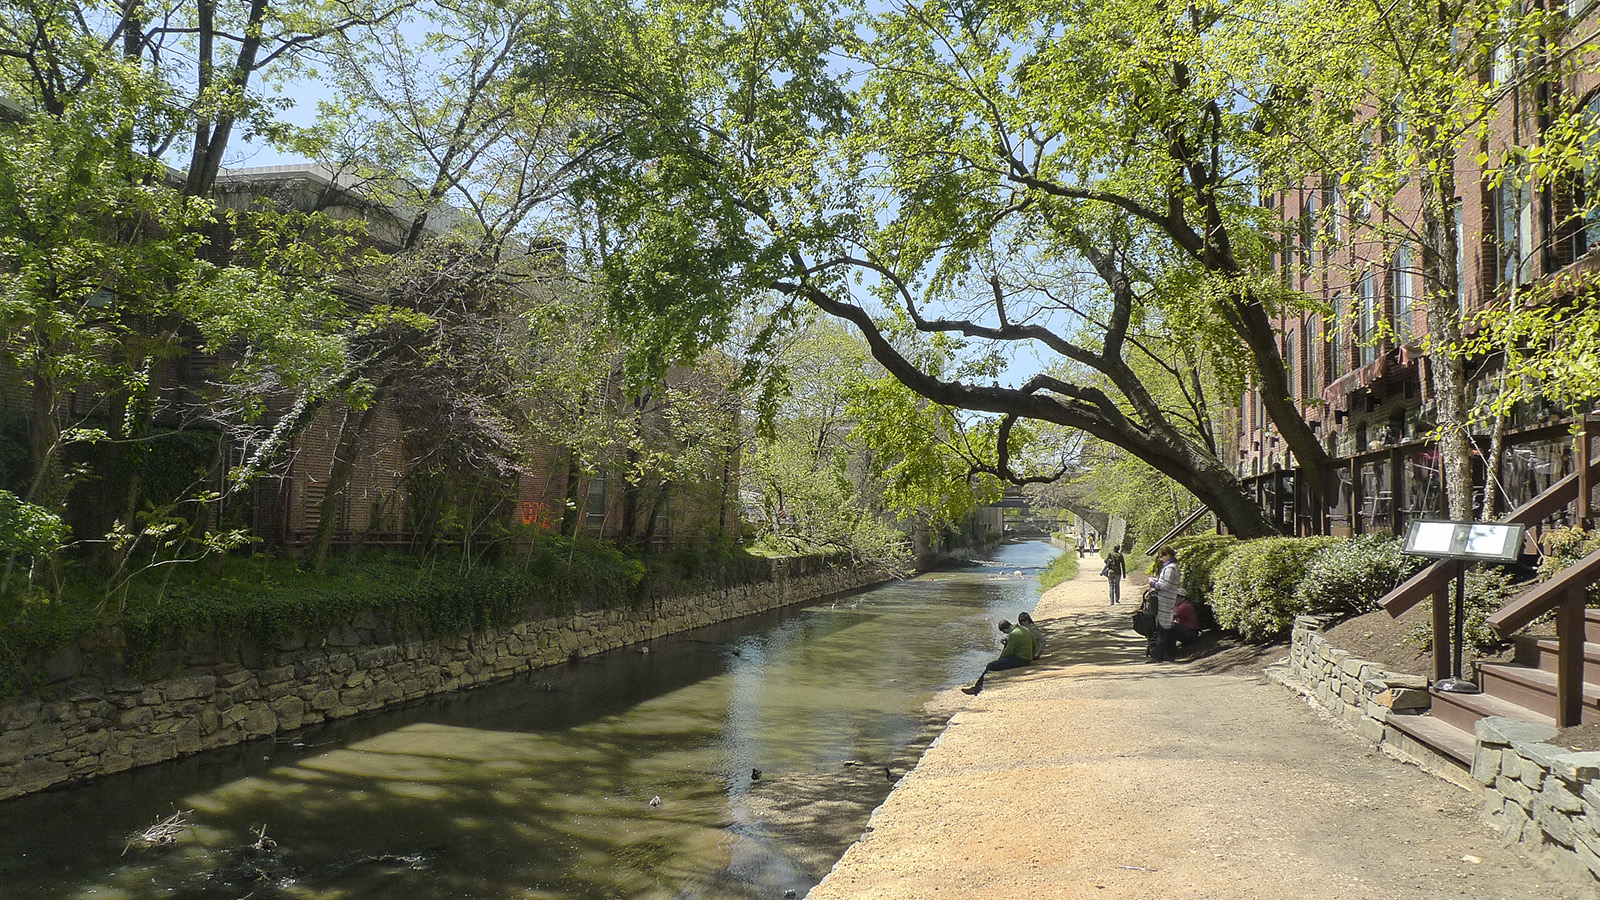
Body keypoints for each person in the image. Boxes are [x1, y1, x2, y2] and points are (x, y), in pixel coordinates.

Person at [961, 619, 1034, 695]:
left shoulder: (1014, 635)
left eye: (1004, 632)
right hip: (1028, 657)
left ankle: (976, 688)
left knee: (990, 665)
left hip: (1021, 659)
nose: (1004, 633)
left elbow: (1008, 651)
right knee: (994, 664)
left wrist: (999, 661)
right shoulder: (1024, 629)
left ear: (1005, 629)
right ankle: (976, 687)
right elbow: (1034, 643)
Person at [1147, 545, 1183, 662]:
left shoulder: (1170, 568)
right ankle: (1170, 654)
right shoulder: (1174, 567)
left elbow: (1165, 586)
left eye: (1162, 556)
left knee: (1163, 628)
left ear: (1168, 555)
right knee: (1168, 627)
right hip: (1169, 599)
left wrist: (1153, 584)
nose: (1161, 558)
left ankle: (1158, 655)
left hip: (1165, 600)